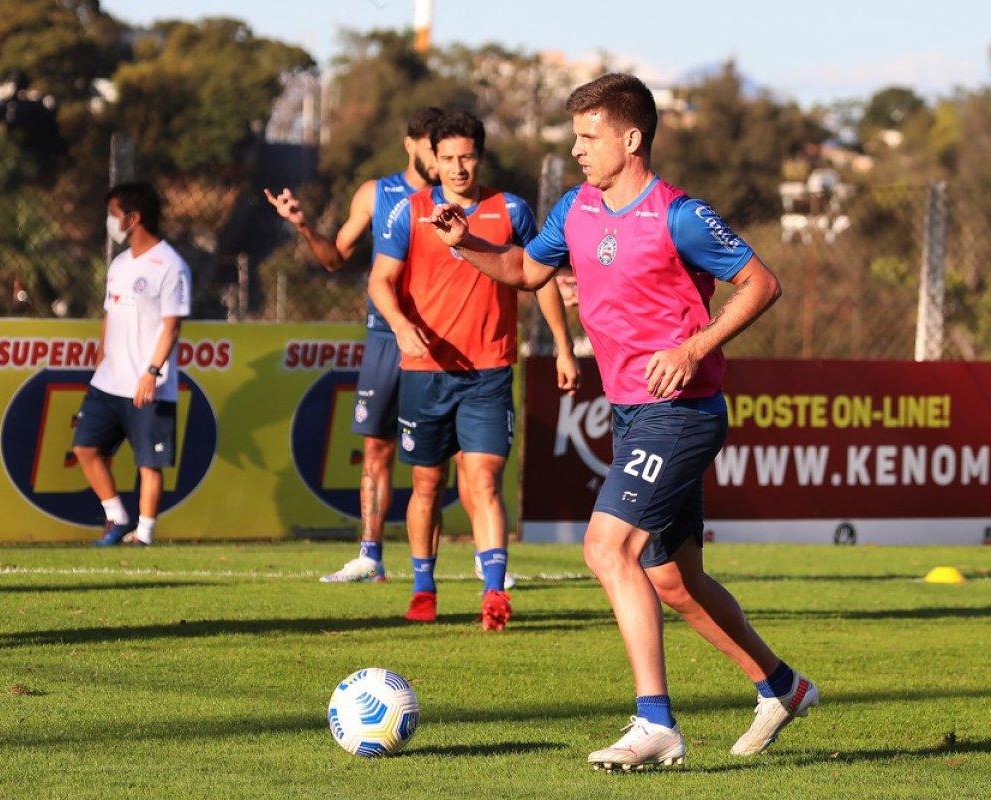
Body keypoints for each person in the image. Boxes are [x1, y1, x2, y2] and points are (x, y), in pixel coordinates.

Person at [424, 74, 818, 765]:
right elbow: (522, 270)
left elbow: (763, 282)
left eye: (588, 137)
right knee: (674, 580)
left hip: (683, 414)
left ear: (630, 139)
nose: (577, 150)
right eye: (573, 137)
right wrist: (465, 243)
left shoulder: (680, 215)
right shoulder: (575, 208)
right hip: (633, 416)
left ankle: (655, 721)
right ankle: (781, 686)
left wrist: (694, 346)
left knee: (608, 549)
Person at [368, 110, 580, 631]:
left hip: (489, 368)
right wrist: (398, 324)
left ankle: (493, 592)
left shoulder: (509, 209)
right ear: (430, 159)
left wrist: (562, 345)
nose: (458, 167)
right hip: (425, 369)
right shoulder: (408, 212)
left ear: (479, 157)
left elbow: (541, 276)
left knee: (483, 479)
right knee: (426, 483)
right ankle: (423, 587)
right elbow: (379, 281)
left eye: (467, 157)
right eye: (447, 158)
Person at [265, 108, 442, 583]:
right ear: (410, 144)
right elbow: (334, 259)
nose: (440, 157)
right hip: (387, 337)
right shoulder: (377, 193)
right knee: (376, 449)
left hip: (445, 339)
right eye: (431, 146)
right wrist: (303, 225)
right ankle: (370, 557)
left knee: (461, 453)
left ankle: (486, 564)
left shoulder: (456, 198)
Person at [73, 181, 192, 547]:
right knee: (85, 448)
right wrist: (99, 361)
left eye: (113, 214)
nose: (110, 221)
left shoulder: (171, 265)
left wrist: (152, 373)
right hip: (109, 381)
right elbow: (110, 316)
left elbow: (172, 326)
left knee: (148, 463)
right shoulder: (120, 264)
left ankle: (145, 533)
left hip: (147, 383)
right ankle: (116, 517)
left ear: (133, 218)